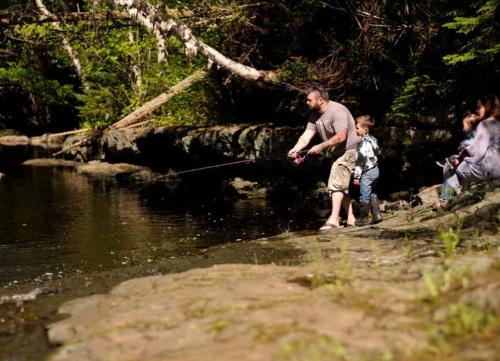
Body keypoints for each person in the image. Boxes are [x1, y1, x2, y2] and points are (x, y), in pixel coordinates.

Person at [288, 86, 360, 230]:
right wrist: (296, 148)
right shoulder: (314, 115)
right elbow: (307, 135)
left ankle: (333, 220)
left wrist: (320, 146)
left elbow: (341, 136)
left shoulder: (337, 111)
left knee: (335, 184)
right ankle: (351, 218)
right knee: (341, 184)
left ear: (320, 100)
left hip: (349, 151)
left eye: (309, 100)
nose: (307, 102)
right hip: (337, 154)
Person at [438, 94, 500, 204]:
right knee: (459, 164)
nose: (477, 110)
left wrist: (461, 160)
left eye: (479, 107)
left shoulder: (485, 124)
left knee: (451, 163)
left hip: (490, 170)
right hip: (496, 167)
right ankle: (455, 195)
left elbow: (478, 154)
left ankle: (445, 198)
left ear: (488, 106)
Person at [439, 113, 479, 201]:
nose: (462, 127)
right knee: (452, 171)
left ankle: (445, 196)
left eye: (463, 125)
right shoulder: (472, 133)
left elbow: (474, 143)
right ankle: (447, 195)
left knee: (450, 170)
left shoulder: (474, 133)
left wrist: (463, 144)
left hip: (473, 163)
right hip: (471, 162)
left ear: (470, 125)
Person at [352, 115, 382, 226]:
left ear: (365, 129)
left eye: (357, 128)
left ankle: (363, 218)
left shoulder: (361, 143)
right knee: (372, 192)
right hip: (375, 170)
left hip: (366, 172)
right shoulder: (374, 140)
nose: (355, 130)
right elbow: (377, 152)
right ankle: (377, 215)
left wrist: (356, 176)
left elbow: (360, 161)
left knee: (364, 195)